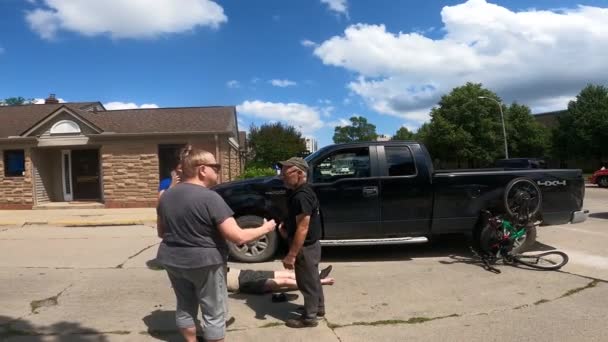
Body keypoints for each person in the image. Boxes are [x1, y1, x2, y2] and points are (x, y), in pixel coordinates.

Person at [156, 147, 276, 342]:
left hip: (172, 260)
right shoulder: (210, 198)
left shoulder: (166, 197)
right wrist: (266, 228)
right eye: (216, 166)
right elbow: (238, 237)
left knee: (185, 305)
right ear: (202, 170)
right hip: (205, 263)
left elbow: (162, 232)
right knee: (214, 312)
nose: (218, 170)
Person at [278, 157, 325, 328]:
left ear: (299, 173)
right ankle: (318, 308)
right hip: (311, 244)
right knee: (313, 279)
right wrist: (287, 226)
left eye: (285, 173)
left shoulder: (302, 196)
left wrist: (291, 254)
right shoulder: (302, 192)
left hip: (305, 247)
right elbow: (300, 222)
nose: (282, 176)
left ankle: (309, 318)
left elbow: (303, 228)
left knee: (306, 282)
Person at [226, 265, 334, 294]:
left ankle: (318, 274)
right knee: (285, 281)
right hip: (243, 284)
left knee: (287, 274)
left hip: (246, 273)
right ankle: (320, 282)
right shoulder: (210, 280)